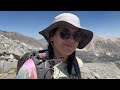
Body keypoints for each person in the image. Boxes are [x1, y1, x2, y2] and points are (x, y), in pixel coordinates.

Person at [16, 13, 93, 79]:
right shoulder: (30, 69)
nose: (72, 40)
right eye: (65, 33)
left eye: (77, 36)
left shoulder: (78, 64)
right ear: (51, 36)